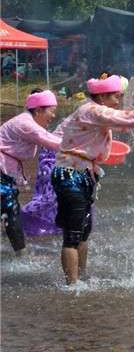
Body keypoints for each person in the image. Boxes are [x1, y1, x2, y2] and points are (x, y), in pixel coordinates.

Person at [54, 75, 134, 284]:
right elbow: (127, 118)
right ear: (102, 96)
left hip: (82, 173)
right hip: (70, 174)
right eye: (116, 97)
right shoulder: (91, 110)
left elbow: (125, 125)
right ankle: (71, 287)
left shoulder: (98, 113)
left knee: (84, 230)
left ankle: (80, 277)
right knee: (73, 234)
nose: (119, 102)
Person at [0, 90, 62, 255]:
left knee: (9, 209)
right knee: (10, 209)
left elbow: (51, 137)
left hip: (5, 171)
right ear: (38, 110)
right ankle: (22, 254)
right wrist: (85, 147)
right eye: (51, 110)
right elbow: (52, 142)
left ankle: (18, 249)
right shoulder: (26, 124)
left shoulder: (28, 122)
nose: (54, 115)